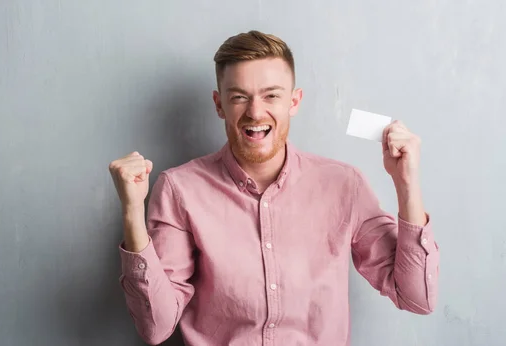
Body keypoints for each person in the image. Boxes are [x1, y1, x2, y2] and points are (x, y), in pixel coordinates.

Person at [108, 30, 439, 346]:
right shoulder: (179, 189)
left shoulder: (344, 185)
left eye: (271, 96)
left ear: (293, 102)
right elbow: (155, 328)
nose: (255, 111)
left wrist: (406, 183)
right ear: (219, 104)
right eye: (239, 97)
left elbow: (416, 298)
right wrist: (132, 211)